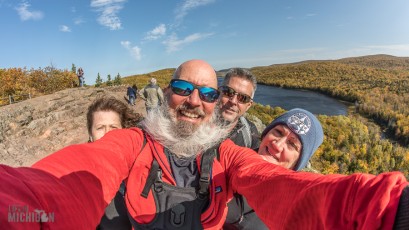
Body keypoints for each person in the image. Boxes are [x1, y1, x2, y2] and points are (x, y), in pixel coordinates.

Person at [1, 60, 409, 229]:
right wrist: (17, 210)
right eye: (183, 88)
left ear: (216, 105)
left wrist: (385, 210)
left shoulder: (231, 153)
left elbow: (283, 187)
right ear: (166, 93)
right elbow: (73, 177)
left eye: (208, 95)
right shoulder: (132, 142)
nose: (194, 101)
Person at [224, 108, 324, 230]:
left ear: (298, 162)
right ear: (266, 133)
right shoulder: (227, 162)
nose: (277, 145)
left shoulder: (291, 208)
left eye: (292, 144)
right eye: (278, 132)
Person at [85, 96, 142, 229]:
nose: (108, 134)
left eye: (114, 127)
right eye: (100, 128)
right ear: (90, 135)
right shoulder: (81, 175)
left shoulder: (142, 166)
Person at [219, 68, 260, 149]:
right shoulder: (197, 122)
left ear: (248, 105)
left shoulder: (250, 133)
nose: (233, 101)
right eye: (228, 92)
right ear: (219, 91)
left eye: (243, 98)